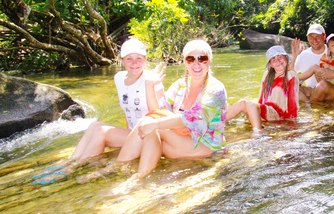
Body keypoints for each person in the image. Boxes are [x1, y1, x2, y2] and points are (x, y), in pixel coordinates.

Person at [33, 38, 165, 184]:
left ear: (145, 60)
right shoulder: (119, 78)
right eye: (129, 59)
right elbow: (128, 110)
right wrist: (126, 143)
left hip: (148, 135)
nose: (134, 63)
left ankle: (73, 167)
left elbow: (158, 117)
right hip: (132, 133)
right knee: (95, 126)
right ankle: (70, 162)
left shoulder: (152, 79)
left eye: (139, 58)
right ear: (122, 60)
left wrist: (150, 86)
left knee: (102, 132)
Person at [93, 39, 228, 178]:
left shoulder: (215, 89)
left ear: (209, 61)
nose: (196, 64)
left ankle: (136, 178)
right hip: (181, 142)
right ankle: (119, 167)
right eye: (190, 59)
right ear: (185, 61)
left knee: (153, 126)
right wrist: (149, 86)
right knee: (150, 123)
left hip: (204, 146)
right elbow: (156, 111)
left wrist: (154, 124)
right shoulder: (180, 86)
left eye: (202, 58)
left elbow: (194, 118)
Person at [226, 45, 299, 131]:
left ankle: (258, 132)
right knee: (242, 103)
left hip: (279, 114)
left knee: (249, 104)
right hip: (266, 111)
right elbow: (261, 97)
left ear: (286, 57)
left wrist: (292, 121)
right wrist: (255, 110)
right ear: (271, 64)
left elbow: (292, 100)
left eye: (280, 57)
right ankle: (216, 122)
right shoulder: (267, 75)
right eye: (274, 60)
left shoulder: (291, 75)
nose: (278, 61)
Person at [294, 24, 334, 102]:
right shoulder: (303, 56)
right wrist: (294, 55)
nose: (314, 40)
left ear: (324, 37)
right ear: (307, 38)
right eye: (311, 37)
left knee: (322, 85)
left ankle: (311, 108)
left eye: (318, 36)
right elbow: (289, 74)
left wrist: (333, 73)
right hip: (313, 91)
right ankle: (309, 107)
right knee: (292, 88)